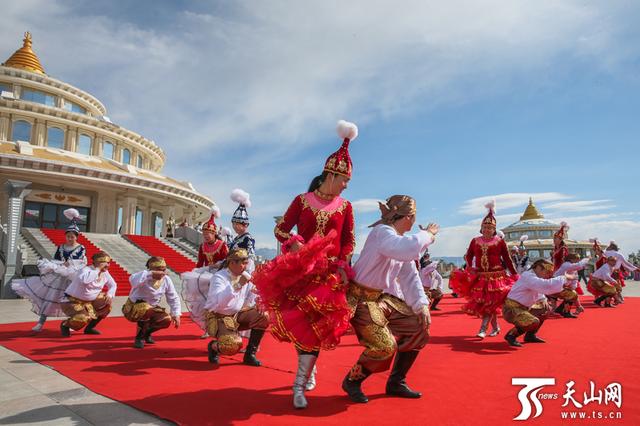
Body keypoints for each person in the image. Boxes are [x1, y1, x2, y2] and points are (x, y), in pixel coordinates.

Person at [253, 120, 358, 409]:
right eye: (344, 179)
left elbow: (349, 240)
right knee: (304, 329)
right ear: (332, 174)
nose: (346, 185)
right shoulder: (302, 200)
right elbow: (281, 230)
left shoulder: (346, 207)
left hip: (329, 276)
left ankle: (301, 380)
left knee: (317, 330)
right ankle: (301, 381)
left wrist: (342, 260)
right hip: (300, 273)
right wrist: (295, 241)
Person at [342, 195, 438, 404]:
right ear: (409, 217)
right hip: (360, 299)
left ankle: (396, 382)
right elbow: (404, 248)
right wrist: (428, 234)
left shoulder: (398, 241)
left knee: (418, 326)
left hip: (380, 299)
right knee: (384, 346)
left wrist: (421, 306)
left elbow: (409, 277)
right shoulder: (382, 233)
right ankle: (353, 380)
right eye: (414, 217)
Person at [449, 200, 518, 338]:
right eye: (485, 227)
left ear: (494, 230)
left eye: (490, 228)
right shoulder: (475, 241)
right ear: (481, 228)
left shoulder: (500, 241)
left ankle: (483, 328)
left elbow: (508, 259)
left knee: (490, 305)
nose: (487, 230)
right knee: (487, 305)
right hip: (481, 277)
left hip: (497, 277)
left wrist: (515, 274)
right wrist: (470, 268)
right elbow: (468, 256)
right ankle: (496, 327)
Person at [12, 208, 86, 332]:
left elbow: (83, 262)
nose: (70, 238)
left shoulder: (81, 248)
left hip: (72, 278)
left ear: (76, 237)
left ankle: (71, 322)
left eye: (72, 237)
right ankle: (40, 323)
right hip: (59, 277)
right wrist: (60, 265)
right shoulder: (61, 247)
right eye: (68, 236)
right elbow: (55, 260)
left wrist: (71, 263)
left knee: (71, 301)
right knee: (49, 298)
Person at [204, 249, 268, 366]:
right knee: (232, 345)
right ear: (232, 263)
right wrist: (238, 285)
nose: (245, 266)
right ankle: (213, 347)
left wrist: (257, 303)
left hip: (237, 314)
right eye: (242, 263)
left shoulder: (244, 276)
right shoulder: (219, 278)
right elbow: (220, 303)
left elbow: (253, 294)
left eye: (246, 263)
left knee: (263, 316)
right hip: (220, 317)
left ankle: (250, 354)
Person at [503, 259, 577, 347]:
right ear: (538, 268)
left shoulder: (535, 278)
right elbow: (545, 285)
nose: (548, 275)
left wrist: (543, 300)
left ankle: (530, 335)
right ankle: (511, 335)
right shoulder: (528, 276)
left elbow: (542, 289)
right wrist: (564, 277)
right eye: (547, 272)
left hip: (525, 307)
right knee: (533, 321)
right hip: (512, 309)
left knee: (546, 309)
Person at [124, 257, 181, 348]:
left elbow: (173, 297)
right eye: (159, 270)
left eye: (164, 270)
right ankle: (139, 338)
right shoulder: (143, 276)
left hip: (152, 307)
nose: (162, 272)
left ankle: (146, 333)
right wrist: (151, 274)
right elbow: (133, 280)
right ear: (152, 269)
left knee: (166, 319)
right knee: (145, 308)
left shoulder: (166, 279)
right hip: (134, 308)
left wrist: (176, 313)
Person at [60, 251, 117, 337]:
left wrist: (110, 294)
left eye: (108, 263)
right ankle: (65, 325)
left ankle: (89, 328)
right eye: (104, 262)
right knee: (83, 318)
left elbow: (113, 285)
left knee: (106, 304)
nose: (107, 265)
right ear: (96, 262)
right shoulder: (86, 270)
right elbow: (85, 280)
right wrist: (98, 269)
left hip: (89, 302)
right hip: (71, 302)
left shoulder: (105, 273)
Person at [228, 189, 257, 273]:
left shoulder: (248, 238)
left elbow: (250, 257)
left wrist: (245, 273)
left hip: (241, 272)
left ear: (245, 225)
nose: (234, 227)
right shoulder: (236, 238)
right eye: (233, 224)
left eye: (237, 224)